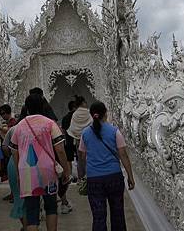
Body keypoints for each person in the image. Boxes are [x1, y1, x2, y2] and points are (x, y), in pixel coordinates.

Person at [10, 92, 71, 231]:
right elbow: (60, 149)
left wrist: (19, 172)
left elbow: (14, 150)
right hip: (47, 170)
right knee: (51, 207)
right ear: (43, 106)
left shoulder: (20, 126)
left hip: (26, 172)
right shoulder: (50, 123)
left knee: (32, 211)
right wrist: (66, 170)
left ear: (27, 107)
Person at [78, 101, 135, 231]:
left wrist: (84, 173)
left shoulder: (85, 133)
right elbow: (123, 155)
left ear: (91, 115)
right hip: (114, 177)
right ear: (105, 114)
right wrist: (130, 177)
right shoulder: (115, 131)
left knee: (98, 217)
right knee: (118, 214)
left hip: (94, 179)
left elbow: (82, 156)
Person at [2, 124, 26, 229]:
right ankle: (31, 225)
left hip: (14, 162)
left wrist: (11, 156)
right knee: (34, 198)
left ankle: (26, 226)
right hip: (33, 162)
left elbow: (5, 147)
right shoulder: (44, 125)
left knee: (19, 198)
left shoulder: (14, 128)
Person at [58, 99, 77, 214]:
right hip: (75, 141)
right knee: (76, 159)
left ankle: (70, 176)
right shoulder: (76, 118)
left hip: (68, 142)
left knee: (69, 159)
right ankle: (76, 177)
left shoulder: (66, 118)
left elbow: (64, 130)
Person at [67, 95, 92, 179]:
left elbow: (73, 129)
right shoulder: (89, 113)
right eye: (85, 102)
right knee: (90, 159)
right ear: (83, 103)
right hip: (89, 141)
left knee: (80, 160)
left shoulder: (75, 114)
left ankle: (81, 178)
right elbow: (92, 126)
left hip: (79, 140)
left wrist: (78, 135)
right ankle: (90, 176)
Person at [0, 104, 17, 198]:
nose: (2, 116)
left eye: (3, 113)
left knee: (12, 172)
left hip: (11, 150)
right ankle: (13, 193)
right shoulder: (8, 122)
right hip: (7, 150)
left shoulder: (13, 123)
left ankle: (14, 193)